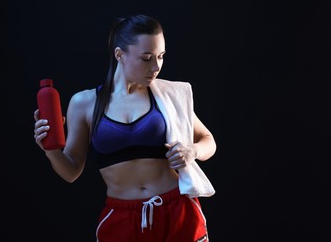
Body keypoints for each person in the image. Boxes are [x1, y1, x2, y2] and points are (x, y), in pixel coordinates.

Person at [33, 14, 216, 242]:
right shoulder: (85, 103)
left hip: (177, 210)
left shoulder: (169, 95)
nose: (156, 66)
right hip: (122, 218)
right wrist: (50, 150)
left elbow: (208, 140)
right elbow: (71, 172)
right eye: (147, 58)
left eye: (160, 56)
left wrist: (193, 151)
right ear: (119, 54)